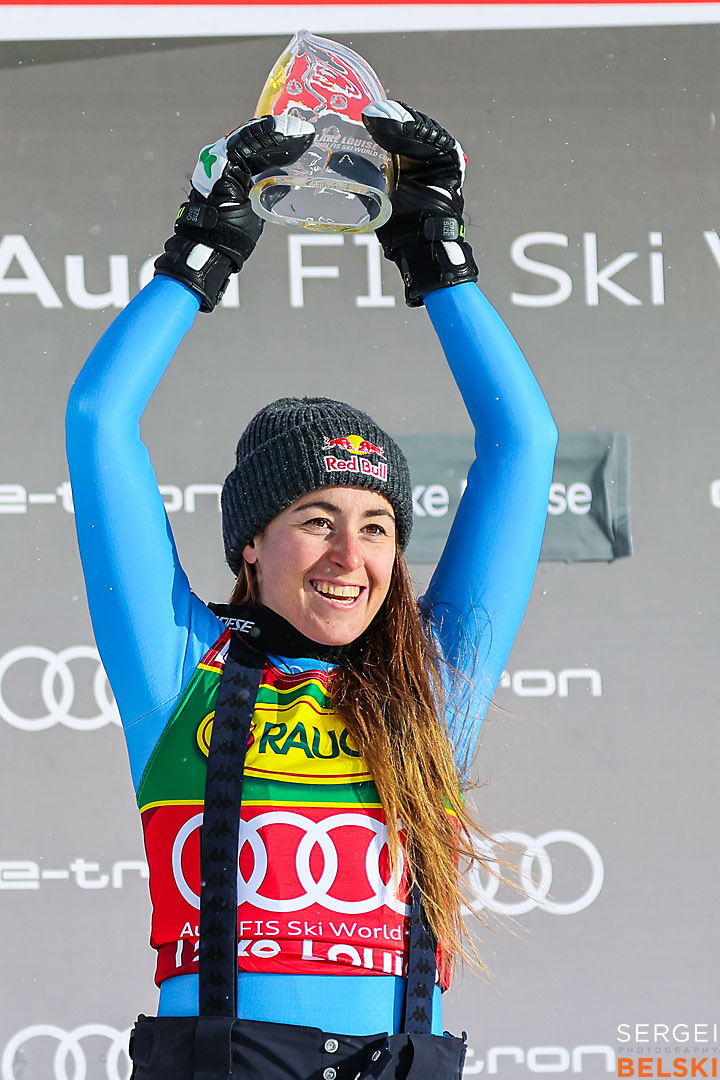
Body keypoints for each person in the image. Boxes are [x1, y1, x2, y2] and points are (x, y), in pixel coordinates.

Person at [66, 101, 557, 1080]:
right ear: (251, 543)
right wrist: (203, 243)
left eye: (376, 526)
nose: (350, 554)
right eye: (316, 520)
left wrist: (436, 251)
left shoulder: (431, 686)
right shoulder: (179, 668)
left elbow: (525, 445)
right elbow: (98, 419)